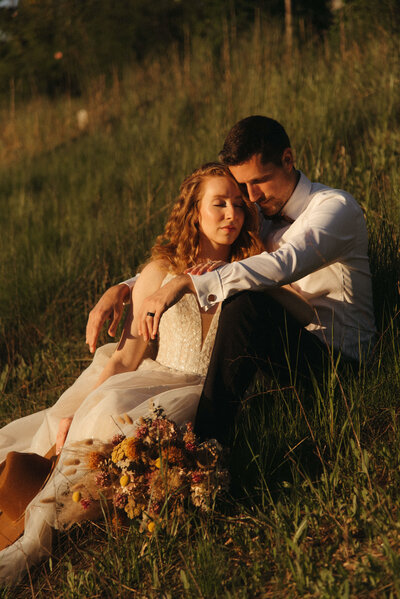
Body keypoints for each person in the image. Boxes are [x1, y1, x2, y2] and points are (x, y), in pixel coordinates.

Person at [0, 162, 313, 583]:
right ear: (194, 212)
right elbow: (126, 359)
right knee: (103, 406)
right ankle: (37, 514)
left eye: (238, 205)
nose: (231, 215)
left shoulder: (252, 265)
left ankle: (75, 509)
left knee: (133, 432)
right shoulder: (159, 271)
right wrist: (81, 408)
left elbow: (297, 307)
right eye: (218, 204)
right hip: (154, 378)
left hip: (209, 388)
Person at [86, 116, 376, 444]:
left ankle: (208, 444)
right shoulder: (263, 215)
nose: (251, 197)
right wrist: (126, 287)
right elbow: (208, 260)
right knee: (242, 295)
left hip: (339, 364)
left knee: (245, 303)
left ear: (288, 159)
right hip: (285, 350)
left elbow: (282, 264)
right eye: (243, 188)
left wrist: (186, 284)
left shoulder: (334, 208)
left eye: (259, 182)